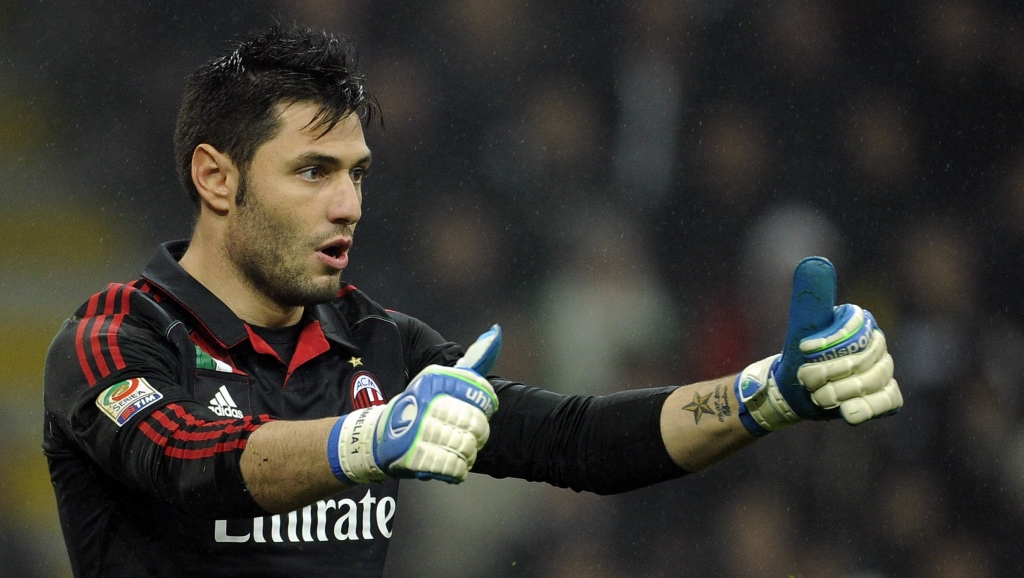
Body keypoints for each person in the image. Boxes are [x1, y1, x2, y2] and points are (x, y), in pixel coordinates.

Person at [42, 25, 903, 578]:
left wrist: (767, 395)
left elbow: (576, 441)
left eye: (357, 174)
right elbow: (188, 459)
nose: (348, 205)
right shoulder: (115, 336)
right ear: (215, 177)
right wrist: (371, 440)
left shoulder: (379, 346)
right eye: (312, 172)